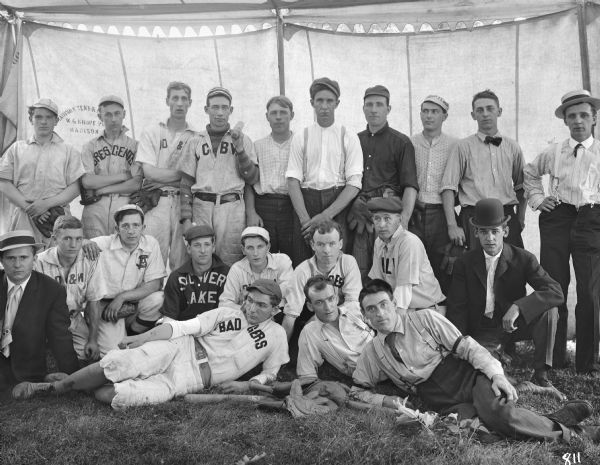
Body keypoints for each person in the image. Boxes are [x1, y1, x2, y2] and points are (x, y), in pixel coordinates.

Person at [350, 279, 600, 442]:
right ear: (364, 315)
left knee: (499, 416)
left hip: (469, 378)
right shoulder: (372, 352)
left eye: (383, 304)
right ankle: (556, 418)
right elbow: (356, 391)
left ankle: (577, 435)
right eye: (371, 309)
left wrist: (496, 375)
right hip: (439, 400)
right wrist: (383, 400)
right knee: (483, 436)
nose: (380, 313)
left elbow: (469, 348)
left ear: (394, 303)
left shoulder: (424, 319)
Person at [12, 280, 289, 410]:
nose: (251, 308)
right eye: (249, 300)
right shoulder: (227, 312)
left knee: (118, 396)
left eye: (261, 305)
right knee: (121, 363)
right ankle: (51, 387)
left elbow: (272, 373)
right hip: (181, 347)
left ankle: (77, 383)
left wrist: (246, 385)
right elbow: (181, 327)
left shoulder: (276, 335)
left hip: (192, 379)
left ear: (275, 309)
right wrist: (139, 339)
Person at [446, 198, 562, 387]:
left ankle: (541, 374)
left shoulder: (523, 258)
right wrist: (459, 345)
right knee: (481, 373)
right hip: (483, 331)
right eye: (483, 231)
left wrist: (519, 307)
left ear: (505, 231)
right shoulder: (464, 263)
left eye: (495, 231)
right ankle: (503, 366)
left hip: (514, 324)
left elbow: (555, 291)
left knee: (550, 311)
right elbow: (457, 307)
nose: (490, 238)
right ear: (476, 233)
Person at [524, 89, 600, 375]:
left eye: (584, 115)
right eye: (572, 116)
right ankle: (552, 358)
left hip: (592, 218)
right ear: (565, 121)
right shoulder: (554, 151)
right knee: (553, 286)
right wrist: (537, 199)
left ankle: (587, 362)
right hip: (558, 216)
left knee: (590, 292)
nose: (578, 121)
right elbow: (529, 173)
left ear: (594, 118)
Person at [286, 77, 363, 265]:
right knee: (304, 261)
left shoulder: (348, 136)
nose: (324, 106)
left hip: (337, 204)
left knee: (334, 260)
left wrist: (326, 215)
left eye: (329, 101)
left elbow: (354, 183)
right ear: (312, 103)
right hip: (306, 204)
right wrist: (305, 221)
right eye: (319, 101)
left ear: (337, 103)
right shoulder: (301, 136)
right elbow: (292, 180)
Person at [180, 86, 259, 266]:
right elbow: (186, 183)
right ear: (206, 110)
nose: (220, 113)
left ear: (231, 111)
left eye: (224, 108)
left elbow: (252, 178)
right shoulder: (195, 141)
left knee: (231, 262)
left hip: (231, 206)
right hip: (202, 205)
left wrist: (239, 149)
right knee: (201, 259)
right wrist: (185, 219)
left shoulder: (243, 139)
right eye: (215, 107)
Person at [441, 89, 526, 250]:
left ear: (499, 112)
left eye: (490, 108)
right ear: (473, 115)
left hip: (506, 216)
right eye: (480, 110)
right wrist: (452, 225)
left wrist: (520, 218)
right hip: (474, 218)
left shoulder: (512, 146)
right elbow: (448, 188)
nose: (485, 114)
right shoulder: (462, 147)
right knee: (477, 270)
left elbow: (522, 187)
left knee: (511, 270)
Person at [349, 85, 419, 279]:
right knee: (361, 267)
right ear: (363, 108)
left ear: (388, 109)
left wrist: (402, 221)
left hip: (389, 214)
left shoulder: (401, 142)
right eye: (369, 104)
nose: (373, 109)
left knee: (391, 270)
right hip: (361, 214)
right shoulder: (354, 141)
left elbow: (410, 185)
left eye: (379, 105)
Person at [0, 230, 78, 388]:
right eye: (10, 258)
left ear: (34, 259)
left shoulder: (52, 290)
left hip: (26, 370)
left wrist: (73, 376)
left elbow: (60, 336)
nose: (17, 264)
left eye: (23, 257)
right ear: (1, 260)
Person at [0, 99, 84, 244]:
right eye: (38, 117)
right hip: (23, 217)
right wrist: (30, 208)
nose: (43, 122)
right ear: (30, 119)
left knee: (55, 262)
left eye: (49, 117)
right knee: (22, 260)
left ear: (56, 120)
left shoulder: (68, 150)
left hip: (56, 219)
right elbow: (4, 183)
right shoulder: (17, 148)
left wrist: (46, 205)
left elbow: (76, 187)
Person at [135, 81, 198, 269]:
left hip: (184, 201)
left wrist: (182, 178)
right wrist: (183, 175)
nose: (179, 103)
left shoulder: (196, 135)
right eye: (175, 98)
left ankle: (177, 298)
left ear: (190, 103)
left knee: (181, 258)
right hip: (157, 201)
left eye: (184, 99)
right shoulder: (153, 131)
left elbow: (197, 177)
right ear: (167, 101)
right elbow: (149, 172)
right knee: (152, 254)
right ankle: (151, 297)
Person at [34, 216, 111, 361]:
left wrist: (93, 339)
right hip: (45, 320)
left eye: (78, 239)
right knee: (37, 356)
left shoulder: (90, 260)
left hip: (74, 318)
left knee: (88, 355)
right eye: (67, 238)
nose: (74, 245)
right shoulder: (39, 262)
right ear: (55, 239)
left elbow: (94, 302)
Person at [283, 220, 362, 355]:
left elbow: (353, 302)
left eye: (332, 244)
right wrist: (282, 352)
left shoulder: (348, 262)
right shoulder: (303, 270)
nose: (327, 250)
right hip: (314, 315)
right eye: (320, 244)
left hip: (344, 315)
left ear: (340, 244)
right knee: (308, 329)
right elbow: (291, 314)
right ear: (313, 245)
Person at [90, 204, 166, 339]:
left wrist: (122, 297)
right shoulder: (104, 243)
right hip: (107, 306)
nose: (131, 231)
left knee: (159, 299)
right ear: (116, 229)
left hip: (133, 301)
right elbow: (80, 243)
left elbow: (154, 284)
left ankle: (132, 333)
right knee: (112, 349)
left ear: (143, 228)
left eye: (136, 225)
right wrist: (84, 242)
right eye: (125, 226)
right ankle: (110, 329)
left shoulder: (151, 243)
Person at [410, 95, 458, 293]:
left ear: (444, 116)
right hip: (415, 213)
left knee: (443, 267)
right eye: (425, 111)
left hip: (441, 214)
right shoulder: (409, 143)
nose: (429, 116)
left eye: (435, 112)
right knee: (414, 267)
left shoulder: (455, 145)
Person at [79, 95, 142, 238]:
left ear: (124, 114)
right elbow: (87, 181)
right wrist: (125, 176)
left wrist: (101, 189)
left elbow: (135, 184)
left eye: (117, 114)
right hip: (95, 208)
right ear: (99, 116)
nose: (113, 119)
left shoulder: (135, 146)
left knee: (122, 253)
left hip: (123, 205)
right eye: (108, 114)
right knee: (94, 253)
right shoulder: (90, 146)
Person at [367, 196, 445, 311]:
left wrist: (392, 321)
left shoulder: (409, 242)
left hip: (427, 311)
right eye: (377, 219)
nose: (381, 224)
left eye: (387, 218)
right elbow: (379, 284)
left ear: (399, 219)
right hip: (404, 309)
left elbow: (403, 292)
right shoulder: (379, 242)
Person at [297, 276, 373, 382]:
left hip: (389, 357)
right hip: (364, 375)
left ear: (336, 298)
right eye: (319, 302)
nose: (328, 307)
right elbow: (307, 374)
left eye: (330, 299)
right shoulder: (309, 333)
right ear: (310, 306)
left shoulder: (355, 308)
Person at [246, 96, 295, 260]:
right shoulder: (257, 145)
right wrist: (251, 211)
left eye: (283, 112)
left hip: (292, 205)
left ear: (292, 115)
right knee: (263, 255)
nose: (278, 117)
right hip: (264, 206)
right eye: (274, 113)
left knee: (292, 255)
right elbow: (249, 182)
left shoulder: (300, 143)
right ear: (267, 116)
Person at [161, 225, 229, 322]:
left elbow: (229, 312)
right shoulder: (176, 277)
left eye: (207, 244)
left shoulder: (227, 274)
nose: (203, 250)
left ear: (213, 247)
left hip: (217, 329)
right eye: (197, 245)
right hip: (185, 330)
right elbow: (170, 316)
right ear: (189, 248)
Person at [219, 226, 293, 311]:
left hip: (276, 316)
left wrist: (252, 294)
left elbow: (289, 290)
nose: (255, 253)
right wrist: (249, 309)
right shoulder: (237, 269)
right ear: (243, 250)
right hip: (247, 318)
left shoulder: (282, 261)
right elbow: (224, 304)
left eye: (260, 247)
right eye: (250, 248)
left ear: (268, 247)